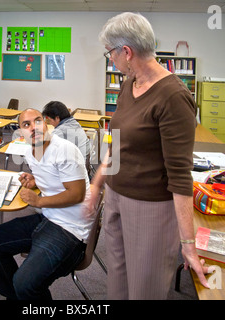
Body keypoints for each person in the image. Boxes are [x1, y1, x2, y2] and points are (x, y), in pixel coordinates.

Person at [87, 12, 209, 299]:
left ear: (126, 52)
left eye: (110, 53)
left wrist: (188, 244)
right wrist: (97, 184)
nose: (111, 60)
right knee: (118, 283)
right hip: (116, 197)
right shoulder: (129, 86)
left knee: (145, 289)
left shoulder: (173, 96)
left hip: (150, 208)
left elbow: (180, 176)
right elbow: (117, 142)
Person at [0, 108, 94, 300]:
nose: (34, 127)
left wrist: (39, 200)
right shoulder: (31, 151)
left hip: (71, 230)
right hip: (49, 218)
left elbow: (76, 194)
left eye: (38, 121)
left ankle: (23, 294)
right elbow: (53, 177)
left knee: (25, 283)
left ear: (47, 124)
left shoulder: (65, 150)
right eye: (27, 125)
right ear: (20, 132)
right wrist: (35, 181)